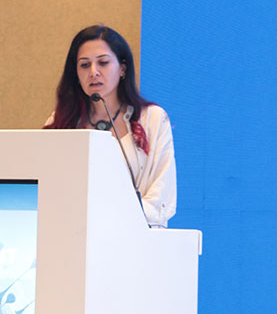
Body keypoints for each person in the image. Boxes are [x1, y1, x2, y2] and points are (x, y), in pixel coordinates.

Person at [44, 25, 177, 227]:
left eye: (103, 63)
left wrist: (115, 215)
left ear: (122, 69)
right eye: (84, 65)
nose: (93, 72)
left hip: (136, 234)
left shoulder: (152, 119)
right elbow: (48, 187)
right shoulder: (62, 122)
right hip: (74, 233)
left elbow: (161, 199)